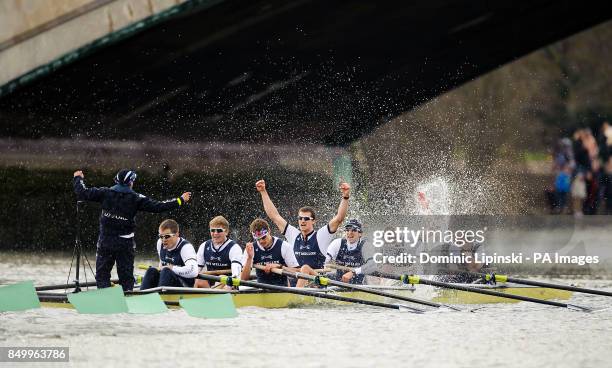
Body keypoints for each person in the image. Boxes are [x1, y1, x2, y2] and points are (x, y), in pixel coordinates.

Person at [73, 169, 191, 291]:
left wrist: (78, 178)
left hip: (106, 242)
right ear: (131, 183)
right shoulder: (136, 198)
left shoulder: (105, 193)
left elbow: (82, 192)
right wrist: (180, 200)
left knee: (102, 276)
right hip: (124, 244)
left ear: (117, 180)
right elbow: (159, 206)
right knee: (126, 278)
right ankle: (127, 296)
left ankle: (105, 296)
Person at [256, 179, 350, 287]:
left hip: (317, 282)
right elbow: (275, 216)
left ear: (313, 221)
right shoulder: (294, 235)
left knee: (305, 268)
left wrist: (345, 197)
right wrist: (263, 191)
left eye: (306, 218)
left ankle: (295, 298)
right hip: (296, 281)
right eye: (300, 218)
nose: (302, 221)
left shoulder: (321, 236)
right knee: (277, 265)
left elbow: (339, 219)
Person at [140, 219, 198, 289]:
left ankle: (159, 296)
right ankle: (143, 296)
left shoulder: (186, 247)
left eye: (167, 236)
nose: (163, 240)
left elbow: (194, 271)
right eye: (161, 236)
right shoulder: (159, 243)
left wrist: (172, 268)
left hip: (184, 286)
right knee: (151, 270)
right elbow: (161, 264)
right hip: (167, 282)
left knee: (166, 271)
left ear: (177, 234)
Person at [241, 218, 300, 286]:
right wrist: (249, 258)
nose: (261, 241)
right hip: (261, 290)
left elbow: (297, 272)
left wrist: (280, 266)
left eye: (263, 237)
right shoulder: (251, 249)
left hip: (282, 290)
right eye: (258, 239)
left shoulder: (284, 246)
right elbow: (243, 279)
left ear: (269, 231)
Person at [194, 216, 243, 288]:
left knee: (222, 278)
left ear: (226, 231)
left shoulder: (234, 248)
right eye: (212, 230)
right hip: (209, 285)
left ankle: (211, 296)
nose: (215, 233)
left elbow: (236, 271)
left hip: (227, 283)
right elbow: (196, 270)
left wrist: (235, 277)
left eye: (219, 230)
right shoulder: (204, 246)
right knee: (198, 280)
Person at [325, 219, 366, 284]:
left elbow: (371, 265)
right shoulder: (337, 243)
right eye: (347, 230)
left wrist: (353, 272)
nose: (350, 233)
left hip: (358, 286)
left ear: (360, 233)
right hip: (339, 283)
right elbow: (325, 259)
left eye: (354, 230)